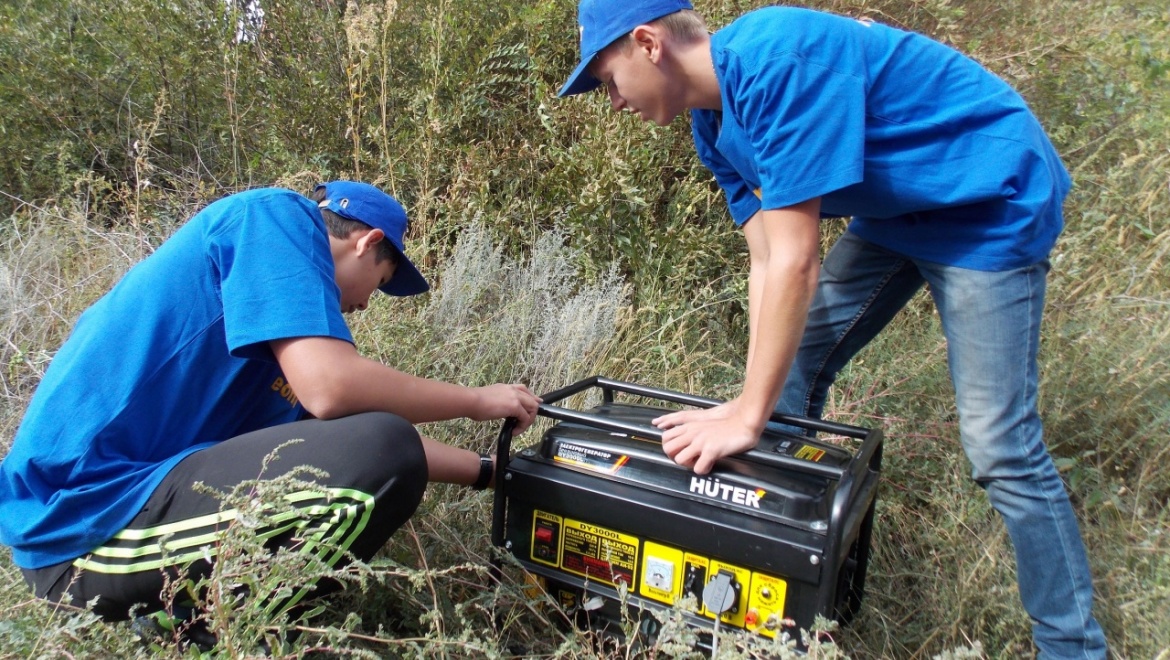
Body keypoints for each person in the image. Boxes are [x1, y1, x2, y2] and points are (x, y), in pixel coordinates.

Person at [558, 0, 1106, 657]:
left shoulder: (778, 61)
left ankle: (1072, 643)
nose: (611, 101)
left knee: (999, 442)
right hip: (898, 210)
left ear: (648, 44)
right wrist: (747, 405)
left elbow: (797, 261)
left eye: (608, 79)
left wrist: (746, 417)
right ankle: (772, 589)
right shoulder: (712, 124)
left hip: (988, 196)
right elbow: (767, 262)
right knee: (782, 374)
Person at [0, 181, 540, 636]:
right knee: (384, 448)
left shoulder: (277, 346)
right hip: (78, 525)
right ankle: (227, 632)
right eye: (378, 283)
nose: (365, 305)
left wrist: (491, 474)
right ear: (367, 242)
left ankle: (198, 624)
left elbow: (350, 439)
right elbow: (335, 391)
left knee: (379, 446)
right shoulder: (275, 218)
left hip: (135, 502)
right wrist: (475, 402)